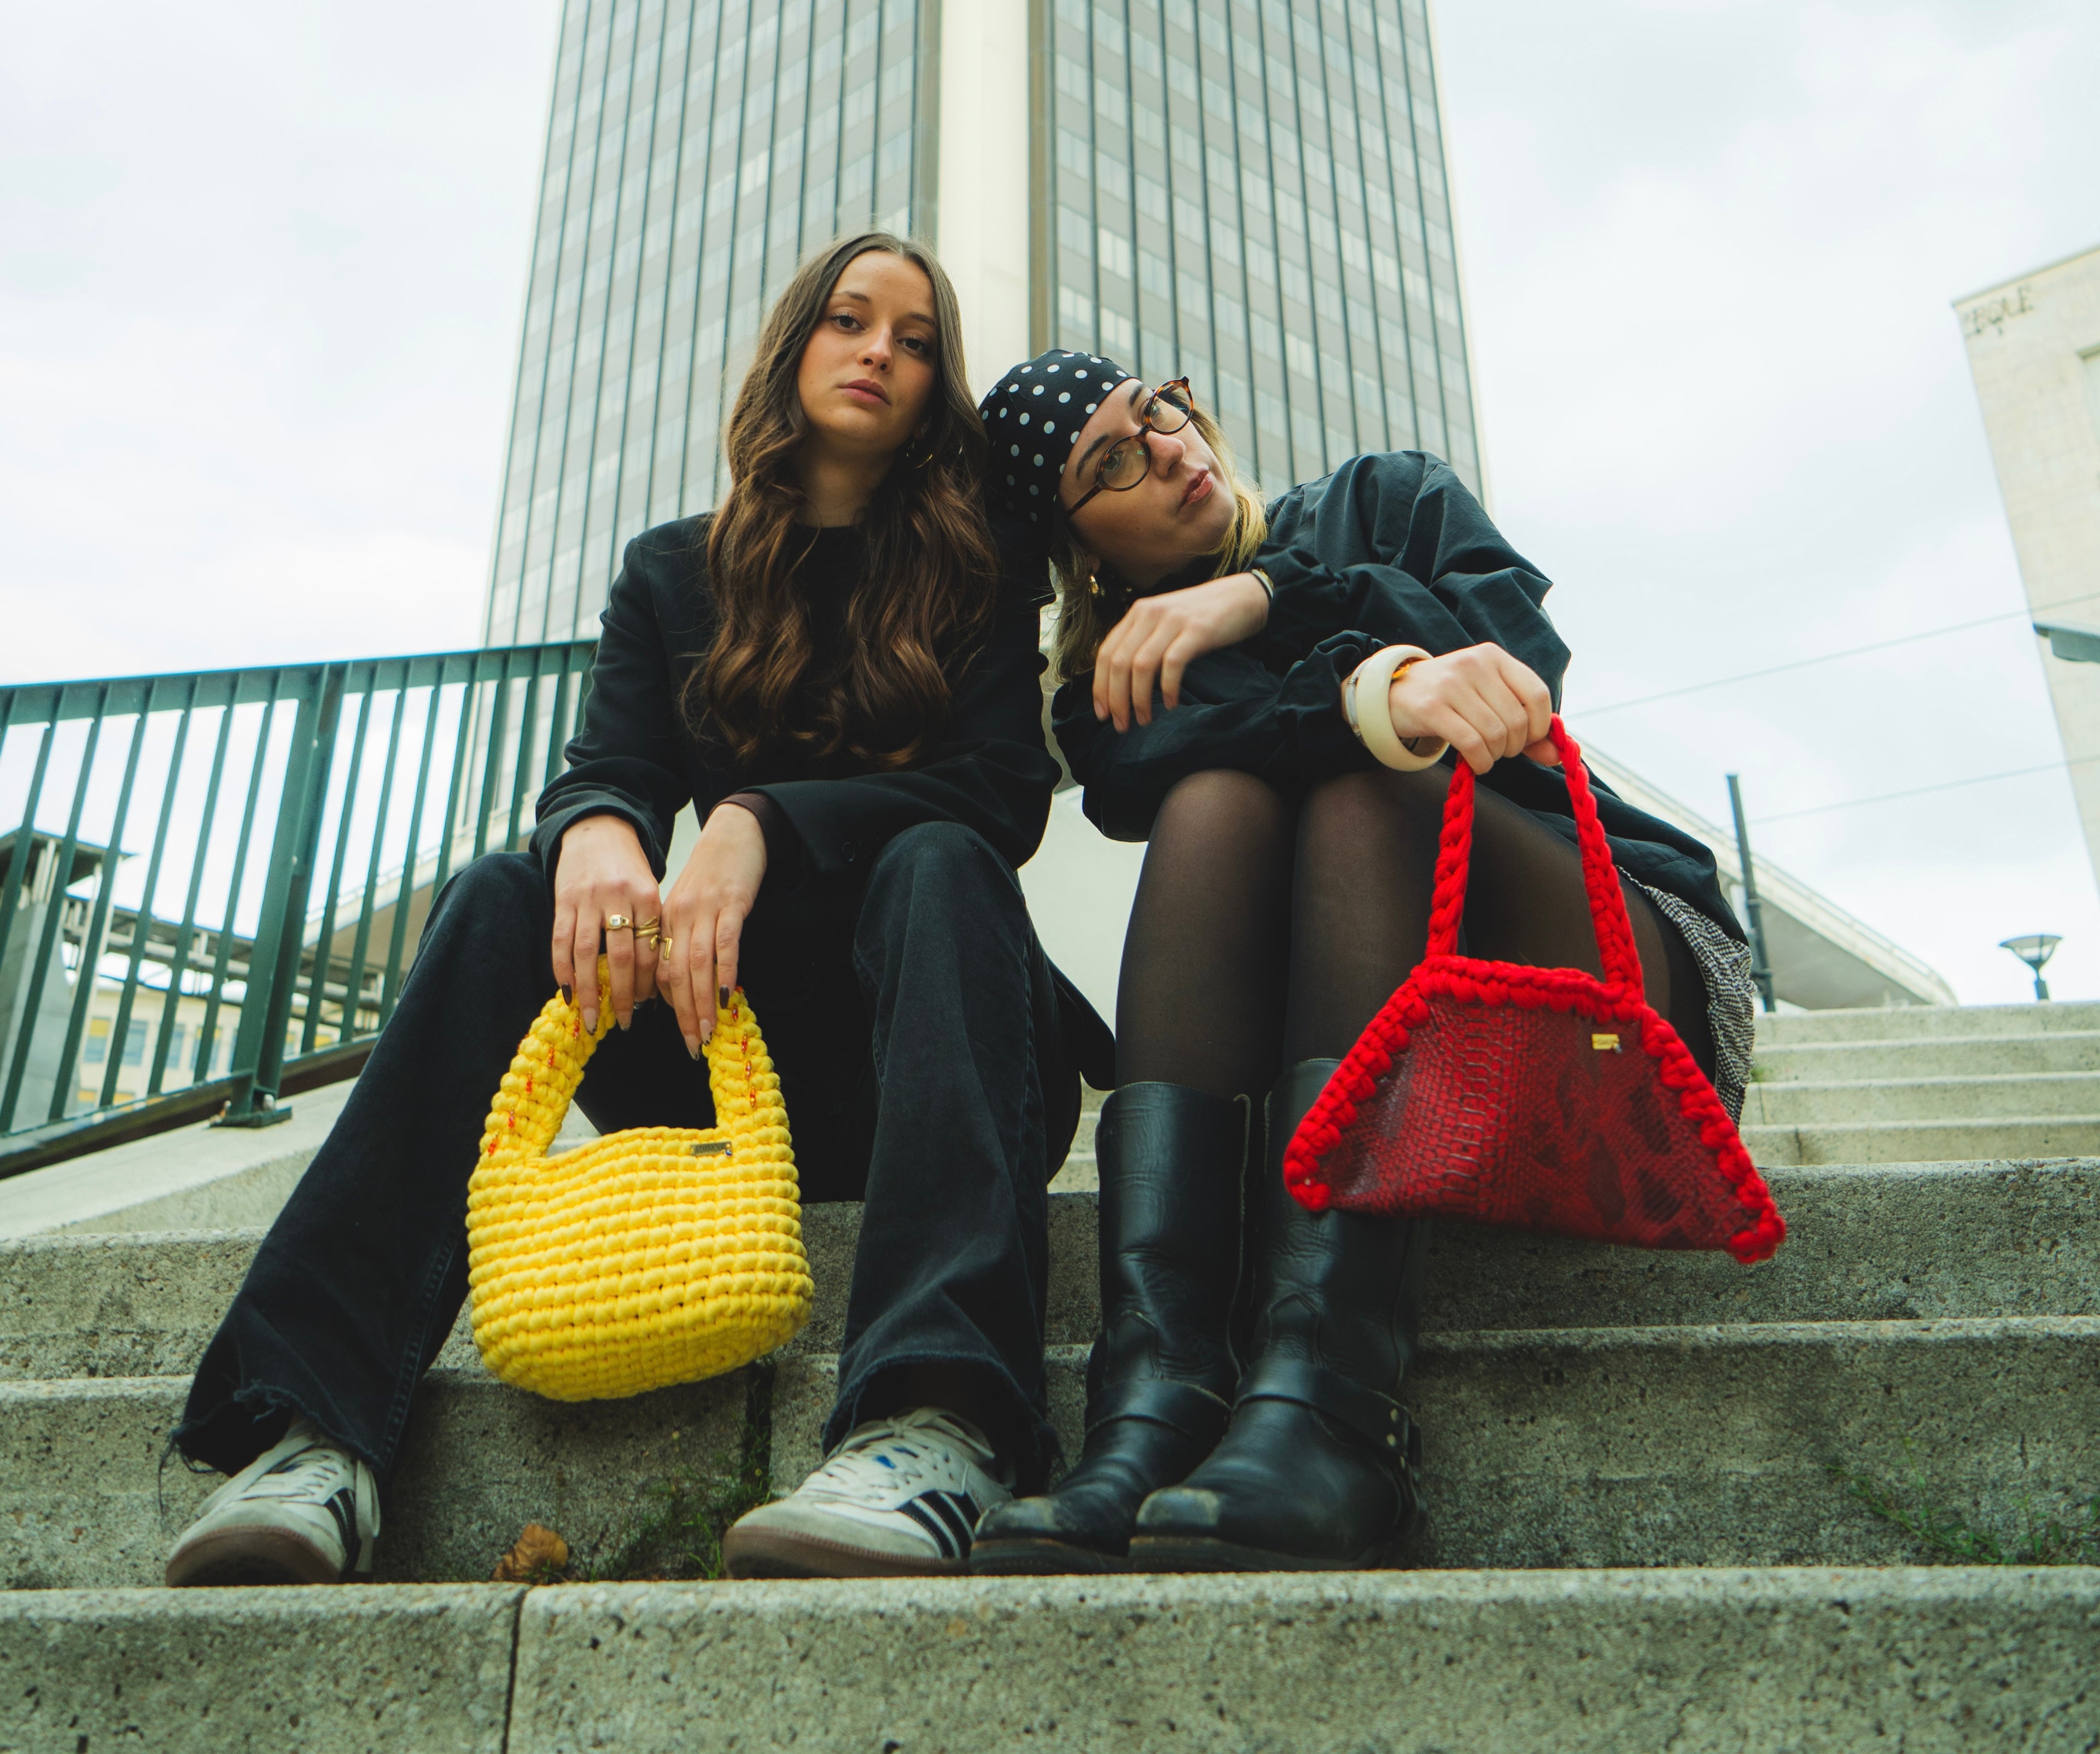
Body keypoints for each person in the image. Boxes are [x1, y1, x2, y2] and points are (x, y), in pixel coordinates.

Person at [164, 237, 1110, 1589]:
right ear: (794, 347)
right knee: (503, 892)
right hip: (720, 1072)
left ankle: (939, 1428)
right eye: (850, 320)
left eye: (915, 341)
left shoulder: (980, 564)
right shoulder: (674, 572)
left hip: (930, 1058)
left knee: (942, 860)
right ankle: (310, 1435)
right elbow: (604, 763)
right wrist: (601, 826)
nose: (879, 353)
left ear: (932, 392)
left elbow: (1004, 791)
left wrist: (757, 818)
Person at [966, 350, 1754, 1575]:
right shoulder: (1114, 684)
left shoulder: (1388, 499)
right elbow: (1179, 768)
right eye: (1112, 462)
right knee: (1216, 798)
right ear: (1079, 547)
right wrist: (1373, 693)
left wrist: (1261, 596)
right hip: (1391, 1032)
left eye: (1158, 409)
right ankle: (1159, 1398)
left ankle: (1335, 1412)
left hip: (1615, 988)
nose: (1170, 448)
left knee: (1362, 789)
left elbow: (1516, 678)